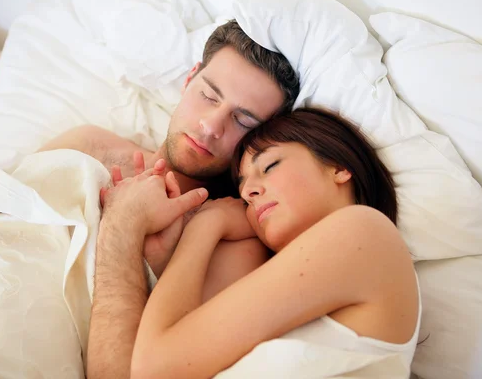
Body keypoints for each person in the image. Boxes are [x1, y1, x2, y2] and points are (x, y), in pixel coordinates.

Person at [38, 20, 299, 378]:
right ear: (190, 78)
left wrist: (124, 225)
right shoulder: (90, 145)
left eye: (243, 121)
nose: (211, 125)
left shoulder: (230, 245)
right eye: (209, 95)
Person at [100, 107, 421, 378]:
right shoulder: (250, 260)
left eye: (269, 166)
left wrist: (204, 226)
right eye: (241, 185)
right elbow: (124, 369)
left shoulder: (363, 232)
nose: (247, 191)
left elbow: (154, 369)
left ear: (339, 168)